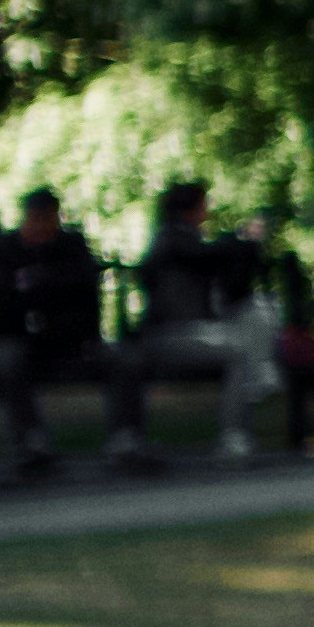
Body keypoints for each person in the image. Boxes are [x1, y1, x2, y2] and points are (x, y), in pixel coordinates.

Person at [117, 182, 281, 462]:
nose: (207, 214)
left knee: (261, 311)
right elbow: (210, 256)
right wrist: (243, 239)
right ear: (188, 210)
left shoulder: (187, 242)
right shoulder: (172, 241)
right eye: (203, 207)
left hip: (192, 333)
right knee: (237, 354)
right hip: (169, 337)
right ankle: (233, 435)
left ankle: (259, 374)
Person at [0, 188, 128, 479]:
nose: (42, 227)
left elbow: (84, 291)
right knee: (7, 359)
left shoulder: (72, 247)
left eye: (49, 219)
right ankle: (31, 441)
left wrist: (44, 286)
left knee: (122, 358)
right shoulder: (2, 251)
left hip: (70, 339)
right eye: (36, 219)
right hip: (22, 340)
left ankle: (125, 438)